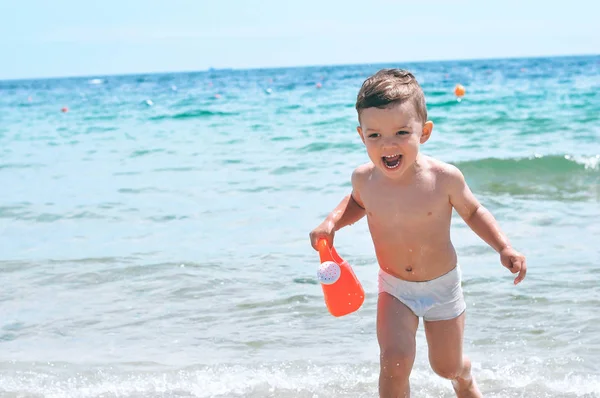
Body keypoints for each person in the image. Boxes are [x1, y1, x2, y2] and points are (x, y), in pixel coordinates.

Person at [309, 69, 527, 398]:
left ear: (423, 133)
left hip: (442, 286)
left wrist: (503, 247)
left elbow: (473, 211)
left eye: (400, 132)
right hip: (395, 287)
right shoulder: (364, 179)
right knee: (393, 362)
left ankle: (464, 377)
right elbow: (355, 203)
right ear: (361, 135)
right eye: (375, 136)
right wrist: (331, 223)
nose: (388, 145)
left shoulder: (444, 178)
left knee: (446, 367)